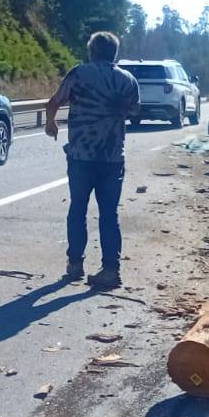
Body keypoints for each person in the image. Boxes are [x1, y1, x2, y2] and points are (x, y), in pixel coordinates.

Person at [45, 31, 139, 289]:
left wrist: (51, 124)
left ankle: (75, 264)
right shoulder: (128, 79)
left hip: (81, 156)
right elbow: (133, 110)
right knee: (109, 214)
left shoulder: (78, 74)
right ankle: (111, 269)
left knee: (78, 209)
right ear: (115, 53)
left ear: (91, 51)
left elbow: (53, 102)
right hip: (112, 158)